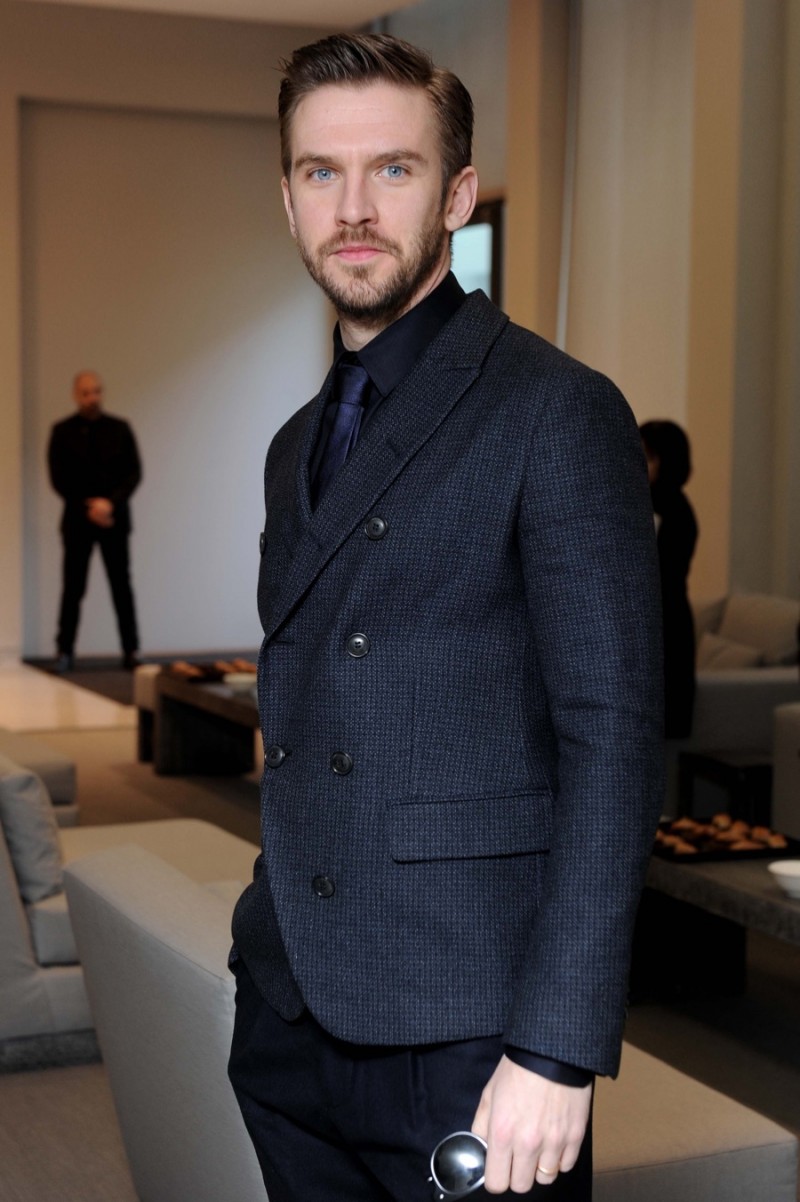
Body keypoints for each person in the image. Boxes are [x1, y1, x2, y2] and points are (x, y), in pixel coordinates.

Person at [228, 33, 663, 1202]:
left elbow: (614, 738)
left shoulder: (556, 411)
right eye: (321, 173)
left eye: (394, 170)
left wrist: (554, 1047)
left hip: (467, 1036)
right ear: (287, 197)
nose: (354, 207)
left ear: (457, 193)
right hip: (288, 1007)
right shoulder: (293, 447)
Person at [47, 370, 141, 672]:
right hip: (78, 520)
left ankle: (130, 651)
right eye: (86, 393)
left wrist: (109, 504)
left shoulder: (120, 428)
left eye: (97, 391)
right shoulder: (62, 432)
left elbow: (133, 473)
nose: (92, 398)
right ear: (76, 395)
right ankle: (64, 650)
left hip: (114, 519)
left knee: (121, 586)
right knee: (73, 587)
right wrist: (88, 505)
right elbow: (58, 477)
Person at [640, 420, 698, 739]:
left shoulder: (674, 511)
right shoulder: (648, 504)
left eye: (648, 456)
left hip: (667, 629)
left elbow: (660, 578)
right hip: (660, 625)